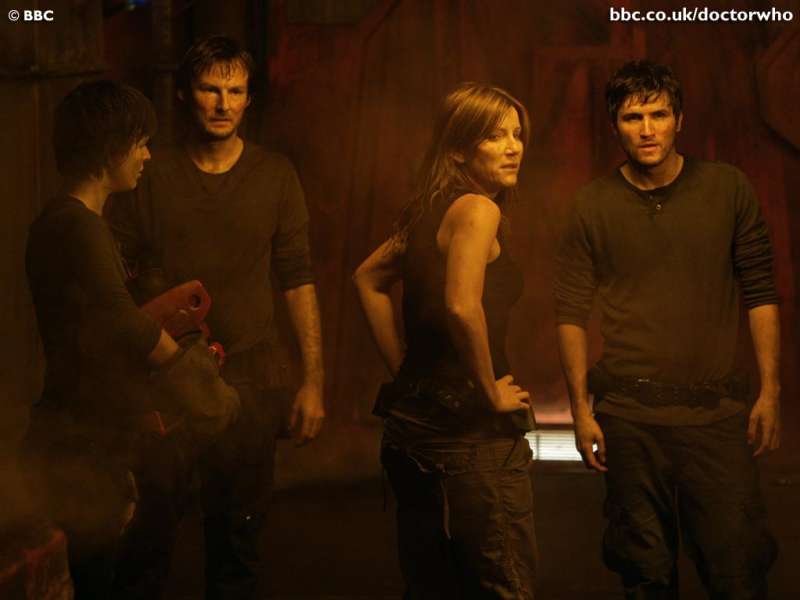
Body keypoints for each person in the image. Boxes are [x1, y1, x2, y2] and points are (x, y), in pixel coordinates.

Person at [106, 35, 325, 599]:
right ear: (185, 94)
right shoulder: (150, 174)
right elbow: (115, 281)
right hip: (166, 377)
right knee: (146, 543)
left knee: (237, 547)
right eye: (210, 89)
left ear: (249, 98)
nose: (223, 104)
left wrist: (313, 381)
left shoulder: (275, 175)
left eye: (235, 91)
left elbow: (298, 279)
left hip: (250, 378)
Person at [554, 59, 780, 599]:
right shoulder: (591, 204)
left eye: (658, 114)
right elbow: (570, 312)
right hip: (630, 417)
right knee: (645, 575)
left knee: (737, 572)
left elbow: (760, 293)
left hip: (715, 414)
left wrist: (770, 390)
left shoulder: (727, 188)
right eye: (633, 117)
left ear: (680, 119)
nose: (647, 129)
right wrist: (580, 411)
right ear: (615, 125)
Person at [24, 80, 239, 598]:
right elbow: (121, 320)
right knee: (110, 581)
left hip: (87, 435)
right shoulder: (75, 224)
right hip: (85, 444)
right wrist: (194, 378)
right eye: (140, 143)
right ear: (110, 149)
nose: (147, 155)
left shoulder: (77, 224)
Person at [353, 82, 537, 599]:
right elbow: (460, 304)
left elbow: (366, 280)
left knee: (432, 588)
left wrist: (405, 371)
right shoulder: (478, 209)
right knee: (504, 588)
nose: (513, 147)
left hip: (412, 428)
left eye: (517, 134)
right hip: (470, 437)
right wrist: (491, 391)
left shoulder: (429, 208)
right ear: (458, 150)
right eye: (494, 136)